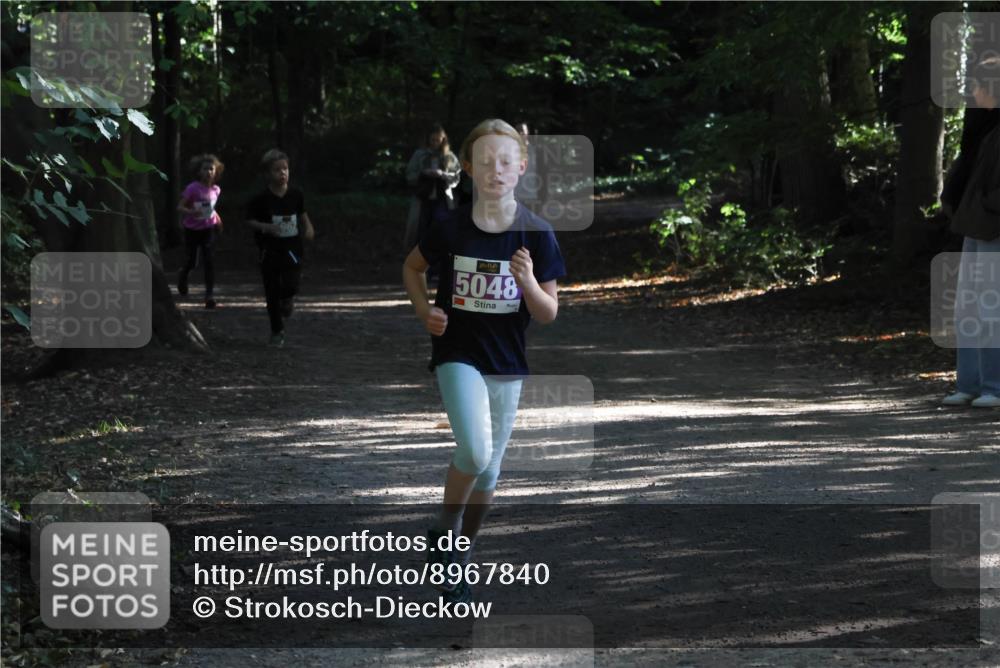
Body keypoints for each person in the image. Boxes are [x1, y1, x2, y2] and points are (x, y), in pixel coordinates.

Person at [402, 119, 566, 602]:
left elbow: (548, 312)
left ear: (520, 168)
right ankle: (448, 529)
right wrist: (423, 310)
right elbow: (412, 268)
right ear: (468, 168)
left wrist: (530, 283)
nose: (496, 170)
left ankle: (456, 550)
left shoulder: (536, 232)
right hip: (457, 352)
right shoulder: (450, 226)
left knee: (490, 472)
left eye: (506, 161)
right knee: (474, 452)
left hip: (507, 361)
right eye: (486, 162)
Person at [941, 57, 1000, 408]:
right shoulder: (983, 126)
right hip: (976, 223)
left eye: (979, 85)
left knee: (992, 303)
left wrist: (986, 205)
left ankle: (994, 385)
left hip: (992, 224)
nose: (974, 92)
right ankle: (971, 381)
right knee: (969, 304)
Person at [245, 149, 315, 348]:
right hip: (269, 248)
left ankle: (288, 299)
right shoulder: (260, 199)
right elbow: (249, 221)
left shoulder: (295, 194)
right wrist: (265, 227)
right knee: (271, 291)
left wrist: (309, 227)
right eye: (277, 170)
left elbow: (302, 214)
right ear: (267, 174)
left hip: (292, 247)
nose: (282, 173)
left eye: (285, 169)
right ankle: (277, 331)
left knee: (291, 283)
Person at [403, 123, 462, 251]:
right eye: (433, 140)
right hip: (423, 199)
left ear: (443, 139)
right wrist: (423, 173)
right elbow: (409, 174)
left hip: (443, 200)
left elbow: (456, 177)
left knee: (441, 227)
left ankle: (440, 256)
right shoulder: (420, 154)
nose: (435, 143)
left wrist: (443, 175)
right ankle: (418, 257)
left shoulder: (449, 156)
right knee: (421, 228)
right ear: (428, 139)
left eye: (438, 140)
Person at [177, 154, 224, 308]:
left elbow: (211, 208)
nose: (208, 172)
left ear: (216, 172)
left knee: (209, 260)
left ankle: (209, 296)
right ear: (199, 171)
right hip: (192, 229)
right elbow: (180, 207)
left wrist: (218, 219)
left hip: (208, 229)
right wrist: (191, 212)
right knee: (192, 261)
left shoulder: (216, 190)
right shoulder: (193, 188)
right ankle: (183, 276)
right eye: (205, 169)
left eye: (211, 169)